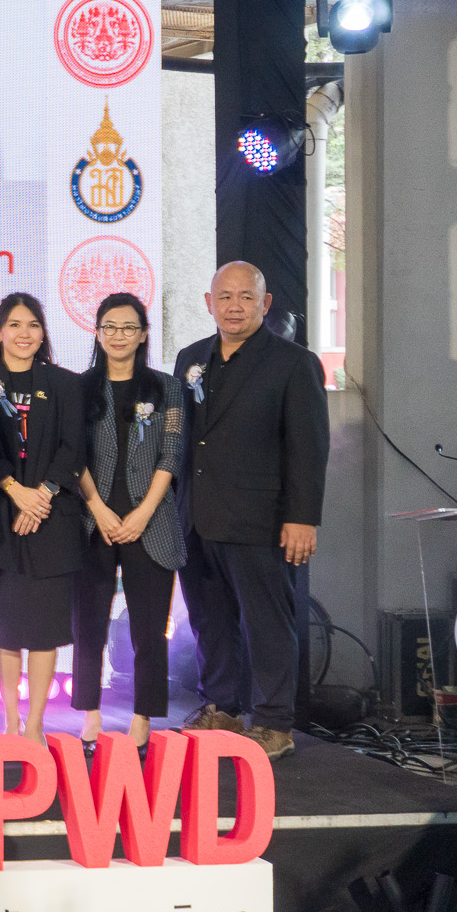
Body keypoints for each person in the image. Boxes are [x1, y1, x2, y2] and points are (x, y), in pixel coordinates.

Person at [173, 261, 330, 761]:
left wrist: (302, 517)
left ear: (265, 304)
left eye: (246, 297)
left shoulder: (294, 363)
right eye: (225, 297)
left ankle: (274, 722)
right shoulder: (191, 358)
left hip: (262, 520)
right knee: (210, 621)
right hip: (197, 517)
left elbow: (309, 447)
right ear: (209, 303)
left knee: (267, 622)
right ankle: (221, 707)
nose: (234, 306)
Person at [0, 293, 86, 743]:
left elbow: (74, 448)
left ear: (43, 333)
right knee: (7, 627)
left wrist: (42, 495)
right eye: (14, 324)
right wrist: (15, 490)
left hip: (52, 518)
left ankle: (35, 721)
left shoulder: (65, 383)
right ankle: (10, 719)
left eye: (33, 325)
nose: (24, 333)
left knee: (45, 629)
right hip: (0, 517)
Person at [74, 293, 186, 752]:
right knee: (88, 626)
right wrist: (99, 508)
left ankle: (142, 719)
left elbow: (172, 453)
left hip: (150, 522)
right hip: (91, 521)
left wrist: (143, 513)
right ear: (98, 332)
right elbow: (72, 456)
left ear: (143, 334)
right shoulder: (79, 388)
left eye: (128, 327)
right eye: (110, 327)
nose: (118, 335)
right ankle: (90, 715)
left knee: (148, 629)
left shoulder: (167, 388)